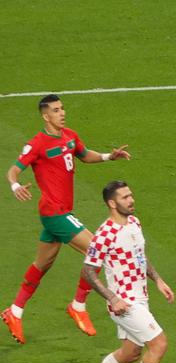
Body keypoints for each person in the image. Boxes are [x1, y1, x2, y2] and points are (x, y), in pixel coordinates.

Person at [3, 94, 131, 344]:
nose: (62, 113)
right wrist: (15, 185)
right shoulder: (37, 143)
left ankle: (14, 311)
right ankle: (78, 305)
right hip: (55, 213)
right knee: (98, 249)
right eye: (56, 110)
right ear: (45, 115)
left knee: (42, 264)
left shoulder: (70, 136)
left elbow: (84, 155)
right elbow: (14, 169)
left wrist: (108, 156)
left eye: (62, 109)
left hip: (62, 212)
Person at [71, 181, 174, 363]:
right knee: (159, 344)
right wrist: (112, 298)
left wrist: (158, 280)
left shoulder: (134, 223)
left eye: (131, 195)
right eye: (125, 197)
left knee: (130, 353)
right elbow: (89, 272)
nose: (131, 200)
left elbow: (139, 256)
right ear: (112, 203)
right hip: (124, 303)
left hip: (141, 297)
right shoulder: (104, 235)